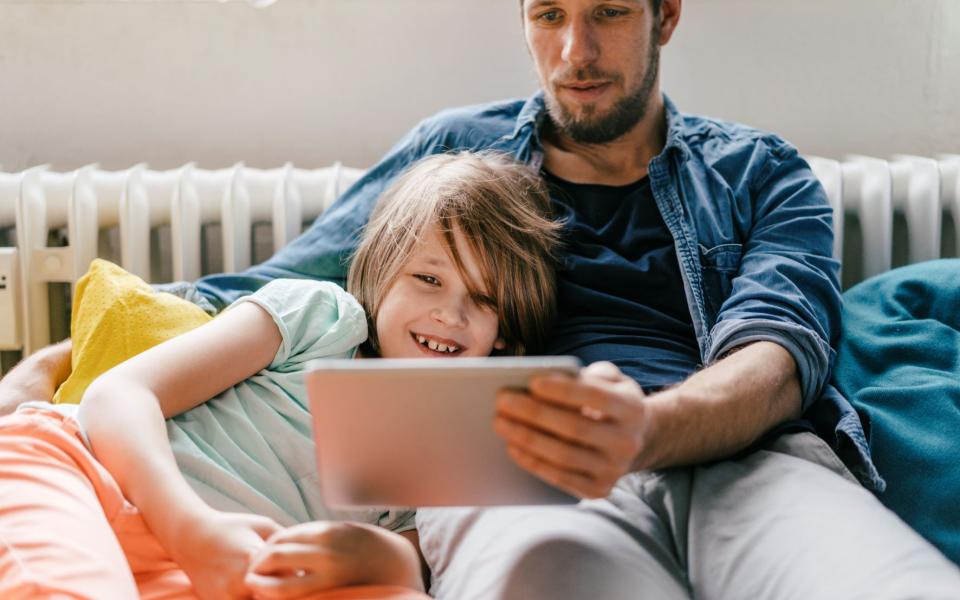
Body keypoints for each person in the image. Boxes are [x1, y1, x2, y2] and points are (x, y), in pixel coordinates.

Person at [4, 0, 960, 598]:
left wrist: (647, 429)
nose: (575, 50)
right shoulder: (453, 153)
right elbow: (291, 279)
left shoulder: (763, 174)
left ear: (667, 15)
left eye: (610, 14)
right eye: (547, 15)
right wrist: (72, 354)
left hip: (747, 458)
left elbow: (781, 353)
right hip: (505, 466)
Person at [0, 151, 562, 599]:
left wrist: (374, 555)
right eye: (429, 279)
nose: (449, 314)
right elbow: (118, 394)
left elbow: (417, 563)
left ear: (506, 335)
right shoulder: (321, 319)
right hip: (83, 477)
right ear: (384, 272)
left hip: (230, 569)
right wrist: (192, 531)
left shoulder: (460, 461)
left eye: (482, 300)